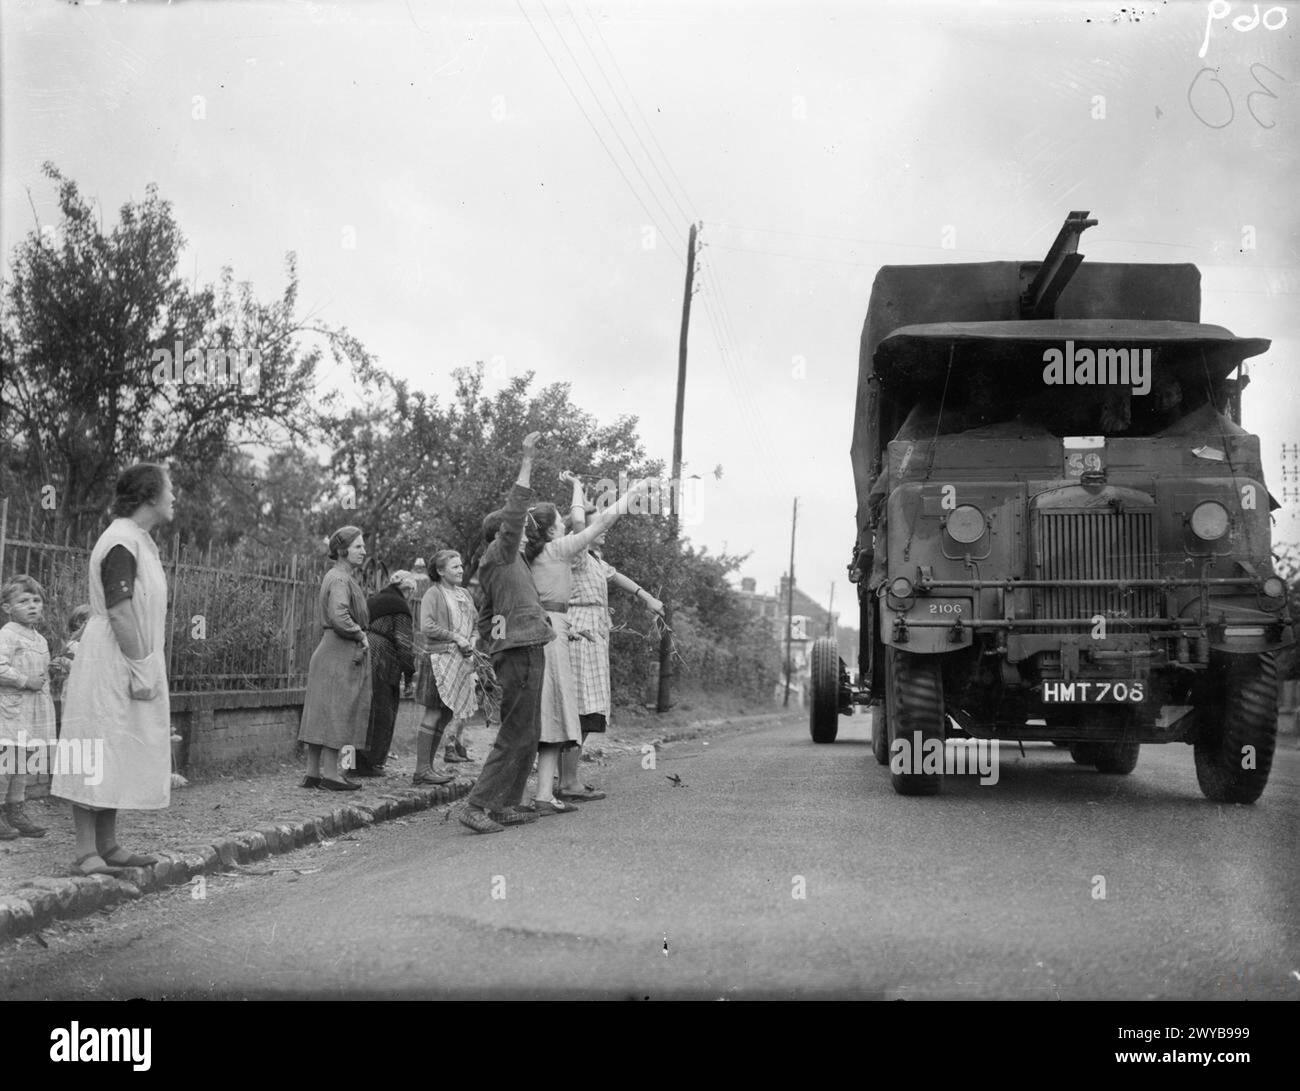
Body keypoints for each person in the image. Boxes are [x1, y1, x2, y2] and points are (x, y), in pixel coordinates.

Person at [51, 463, 174, 875]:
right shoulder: (121, 541)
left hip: (129, 655)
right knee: (96, 746)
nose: (174, 497)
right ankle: (86, 851)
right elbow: (120, 612)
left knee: (117, 746)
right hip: (112, 658)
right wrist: (141, 666)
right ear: (150, 496)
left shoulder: (138, 540)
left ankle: (108, 844)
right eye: (169, 489)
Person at [523, 469, 649, 815]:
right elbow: (595, 521)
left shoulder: (577, 555)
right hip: (567, 626)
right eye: (564, 525)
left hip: (574, 627)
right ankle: (561, 784)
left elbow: (606, 560)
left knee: (575, 707)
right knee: (573, 706)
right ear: (554, 529)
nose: (571, 527)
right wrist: (632, 492)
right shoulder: (568, 552)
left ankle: (553, 786)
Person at [457, 432, 555, 833]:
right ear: (502, 534)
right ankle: (477, 805)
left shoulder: (502, 564)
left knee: (528, 733)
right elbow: (516, 513)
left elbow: (485, 614)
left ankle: (504, 805)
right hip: (520, 653)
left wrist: (487, 651)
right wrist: (527, 460)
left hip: (519, 649)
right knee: (516, 732)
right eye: (516, 529)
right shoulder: (501, 553)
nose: (526, 531)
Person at [557, 493, 664, 802]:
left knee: (588, 708)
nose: (604, 529)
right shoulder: (576, 553)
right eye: (598, 525)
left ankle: (568, 778)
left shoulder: (595, 559)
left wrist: (646, 596)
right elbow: (579, 522)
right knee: (580, 707)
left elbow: (616, 576)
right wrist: (578, 489)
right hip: (580, 628)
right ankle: (567, 781)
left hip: (595, 631)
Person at [297, 526, 371, 792]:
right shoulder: (340, 579)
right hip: (339, 651)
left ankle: (312, 773)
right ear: (343, 550)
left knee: (321, 710)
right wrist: (360, 632)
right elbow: (340, 616)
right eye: (358, 547)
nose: (364, 551)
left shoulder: (337, 576)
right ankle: (331, 774)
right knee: (336, 710)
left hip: (329, 650)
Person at [412, 550, 477, 784]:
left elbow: (475, 625)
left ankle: (428, 768)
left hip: (460, 661)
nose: (460, 570)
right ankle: (422, 770)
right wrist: (455, 637)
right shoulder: (433, 593)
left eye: (461, 566)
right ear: (440, 571)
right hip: (438, 659)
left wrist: (472, 642)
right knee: (434, 711)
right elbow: (427, 626)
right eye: (455, 567)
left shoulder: (465, 595)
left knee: (447, 712)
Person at [0, 576, 57, 840]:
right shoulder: (7, 635)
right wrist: (25, 680)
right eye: (23, 601)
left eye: (36, 600)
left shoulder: (40, 639)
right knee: (5, 763)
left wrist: (52, 671)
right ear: (7, 607)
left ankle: (17, 811)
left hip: (33, 709)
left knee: (23, 764)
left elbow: (40, 672)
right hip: (10, 710)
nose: (32, 605)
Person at [357, 571, 416, 777]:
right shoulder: (400, 607)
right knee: (382, 710)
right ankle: (370, 764)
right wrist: (409, 674)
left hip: (362, 652)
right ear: (407, 590)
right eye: (411, 591)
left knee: (361, 709)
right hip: (383, 658)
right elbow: (404, 643)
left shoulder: (373, 600)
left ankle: (352, 762)